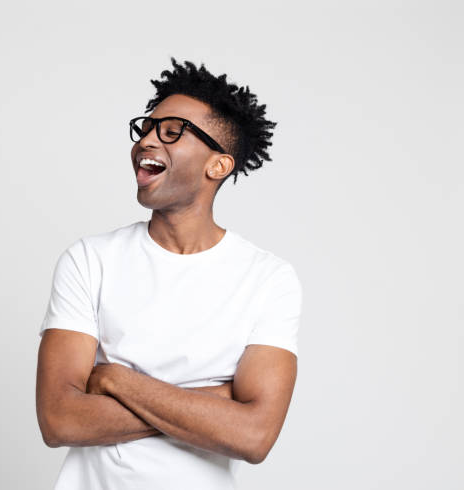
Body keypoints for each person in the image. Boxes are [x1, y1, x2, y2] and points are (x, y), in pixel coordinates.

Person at [35, 57, 303, 490]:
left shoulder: (268, 279)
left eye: (172, 132)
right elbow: (59, 419)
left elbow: (254, 436)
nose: (147, 141)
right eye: (146, 128)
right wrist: (216, 404)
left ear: (218, 165)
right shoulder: (90, 260)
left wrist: (115, 379)